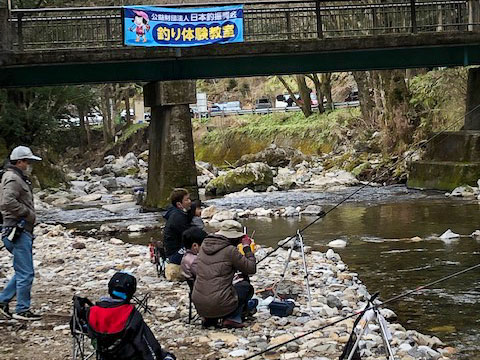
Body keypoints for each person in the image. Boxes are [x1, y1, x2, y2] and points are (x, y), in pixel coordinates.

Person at [87, 272, 175, 360]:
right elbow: (147, 345)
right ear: (131, 293)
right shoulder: (130, 313)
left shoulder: (92, 311)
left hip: (105, 355)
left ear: (110, 289)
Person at [0, 146, 42, 321]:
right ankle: (22, 309)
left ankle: (2, 301)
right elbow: (6, 202)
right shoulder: (13, 179)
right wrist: (27, 213)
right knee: (26, 273)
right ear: (19, 162)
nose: (29, 165)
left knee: (22, 271)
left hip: (17, 229)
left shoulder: (14, 177)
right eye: (28, 161)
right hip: (17, 229)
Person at [192, 220, 256, 328]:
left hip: (199, 304)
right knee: (245, 286)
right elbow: (251, 268)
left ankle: (209, 318)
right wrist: (246, 247)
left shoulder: (204, 246)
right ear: (235, 238)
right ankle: (232, 318)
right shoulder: (230, 250)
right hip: (219, 303)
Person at [163, 188, 192, 265]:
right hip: (175, 255)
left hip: (171, 252)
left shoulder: (174, 213)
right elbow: (190, 235)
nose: (190, 202)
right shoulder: (178, 218)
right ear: (179, 204)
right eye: (187, 200)